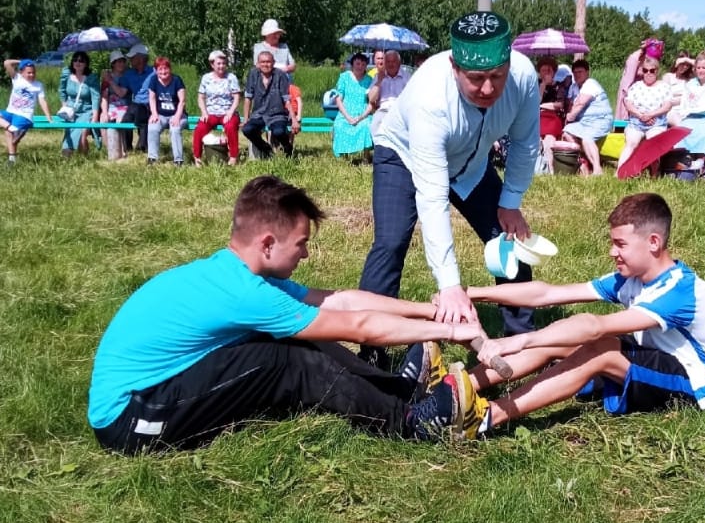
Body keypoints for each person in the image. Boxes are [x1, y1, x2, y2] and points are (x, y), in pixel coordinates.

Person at [88, 175, 487, 454]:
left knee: (297, 333)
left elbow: (340, 301)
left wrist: (434, 310)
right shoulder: (247, 294)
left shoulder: (238, 274)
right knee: (286, 361)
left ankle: (399, 391)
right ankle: (411, 420)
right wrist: (448, 332)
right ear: (266, 244)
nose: (306, 254)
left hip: (154, 390)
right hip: (130, 419)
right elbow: (358, 325)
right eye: (300, 244)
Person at [452, 191, 705, 437]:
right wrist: (470, 293)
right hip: (662, 355)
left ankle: (487, 416)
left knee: (599, 349)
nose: (612, 252)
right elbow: (547, 294)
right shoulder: (633, 277)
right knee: (561, 340)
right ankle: (459, 387)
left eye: (621, 244)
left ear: (653, 242)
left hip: (703, 382)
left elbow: (596, 326)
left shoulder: (678, 291)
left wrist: (518, 341)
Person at [357, 10, 540, 344]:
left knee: (509, 243)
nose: (488, 88)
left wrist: (511, 202)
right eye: (475, 78)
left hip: (470, 166)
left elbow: (526, 142)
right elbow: (432, 197)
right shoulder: (431, 97)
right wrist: (450, 285)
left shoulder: (524, 78)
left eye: (497, 77)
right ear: (454, 69)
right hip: (404, 156)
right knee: (391, 243)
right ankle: (372, 347)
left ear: (509, 66)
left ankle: (521, 340)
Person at [617, 50, 672, 173]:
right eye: (645, 70)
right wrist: (640, 115)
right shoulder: (636, 86)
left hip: (656, 123)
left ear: (657, 71)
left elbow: (667, 106)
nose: (648, 73)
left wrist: (651, 115)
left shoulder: (664, 87)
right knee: (631, 142)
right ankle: (620, 172)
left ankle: (654, 173)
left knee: (653, 141)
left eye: (652, 70)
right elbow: (628, 104)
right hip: (636, 122)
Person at [555, 59, 614, 175]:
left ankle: (597, 168)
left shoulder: (591, 84)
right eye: (575, 72)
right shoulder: (573, 87)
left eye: (580, 72)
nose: (577, 75)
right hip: (583, 122)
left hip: (600, 120)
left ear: (587, 72)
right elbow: (571, 105)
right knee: (567, 132)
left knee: (587, 138)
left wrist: (570, 117)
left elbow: (580, 104)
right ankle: (583, 161)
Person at [194, 50, 242, 166]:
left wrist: (230, 112)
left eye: (223, 63)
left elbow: (237, 97)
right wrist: (204, 112)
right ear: (212, 64)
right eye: (218, 63)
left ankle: (233, 156)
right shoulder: (206, 78)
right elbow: (201, 97)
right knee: (200, 128)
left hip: (228, 112)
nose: (221, 66)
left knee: (230, 127)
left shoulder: (231, 77)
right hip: (211, 112)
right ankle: (197, 157)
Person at [243, 50, 293, 158]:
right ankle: (266, 149)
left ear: (273, 62)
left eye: (268, 62)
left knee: (279, 132)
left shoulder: (280, 75)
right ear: (258, 63)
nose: (266, 64)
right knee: (247, 129)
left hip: (277, 113)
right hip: (258, 113)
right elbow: (248, 97)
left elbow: (287, 99)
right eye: (263, 62)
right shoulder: (253, 74)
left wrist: (294, 119)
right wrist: (246, 119)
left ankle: (287, 147)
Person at [1, 58, 53, 162]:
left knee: (10, 135)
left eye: (33, 72)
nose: (32, 75)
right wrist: (22, 61)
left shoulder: (38, 85)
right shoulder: (16, 78)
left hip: (24, 115)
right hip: (11, 112)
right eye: (29, 72)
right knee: (10, 131)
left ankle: (12, 159)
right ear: (21, 72)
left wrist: (48, 117)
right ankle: (14, 129)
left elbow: (42, 101)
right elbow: (6, 63)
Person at [331, 52, 376, 159]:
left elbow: (371, 103)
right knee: (339, 125)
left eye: (363, 64)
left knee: (366, 126)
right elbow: (338, 99)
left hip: (363, 114)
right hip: (345, 113)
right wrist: (348, 117)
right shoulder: (344, 77)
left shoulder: (369, 80)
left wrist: (360, 117)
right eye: (358, 63)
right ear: (352, 64)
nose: (360, 66)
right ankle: (344, 157)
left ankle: (366, 157)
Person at [58, 51, 100, 156]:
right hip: (71, 111)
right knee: (70, 133)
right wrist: (64, 106)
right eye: (75, 60)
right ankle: (69, 153)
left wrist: (95, 116)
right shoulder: (66, 74)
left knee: (82, 132)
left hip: (86, 110)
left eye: (81, 61)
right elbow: (62, 91)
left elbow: (95, 97)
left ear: (86, 64)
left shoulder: (91, 78)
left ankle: (81, 157)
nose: (78, 62)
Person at [146, 57, 188, 165]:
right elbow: (152, 98)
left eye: (166, 68)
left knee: (175, 129)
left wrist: (177, 116)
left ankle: (178, 160)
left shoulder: (177, 80)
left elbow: (182, 101)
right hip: (161, 114)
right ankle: (152, 158)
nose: (163, 72)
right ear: (156, 70)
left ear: (170, 69)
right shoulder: (153, 80)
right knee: (152, 127)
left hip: (178, 114)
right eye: (160, 69)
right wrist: (154, 114)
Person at [368, 49, 411, 141]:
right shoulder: (378, 76)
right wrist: (379, 81)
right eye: (388, 61)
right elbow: (371, 99)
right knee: (375, 126)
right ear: (384, 63)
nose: (391, 64)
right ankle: (381, 151)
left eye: (394, 61)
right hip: (383, 110)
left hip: (401, 111)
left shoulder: (407, 77)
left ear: (399, 63)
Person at [119, 44, 153, 153]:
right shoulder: (128, 74)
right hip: (136, 103)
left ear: (140, 59)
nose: (130, 60)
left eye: (132, 58)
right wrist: (109, 81)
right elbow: (122, 93)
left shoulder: (154, 72)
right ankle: (128, 147)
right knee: (125, 120)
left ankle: (142, 147)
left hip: (151, 104)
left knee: (142, 114)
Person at [99, 51, 130, 161]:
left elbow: (122, 93)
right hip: (111, 107)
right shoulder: (107, 76)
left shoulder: (128, 75)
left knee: (119, 121)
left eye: (122, 61)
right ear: (113, 63)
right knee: (103, 120)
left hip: (125, 106)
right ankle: (110, 150)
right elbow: (104, 97)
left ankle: (123, 151)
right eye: (118, 62)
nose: (121, 64)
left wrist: (110, 81)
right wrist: (104, 111)